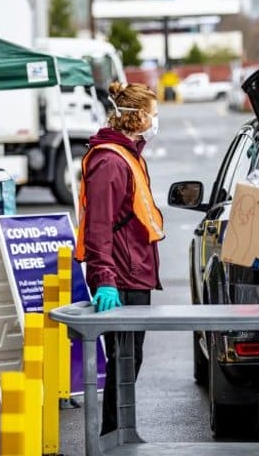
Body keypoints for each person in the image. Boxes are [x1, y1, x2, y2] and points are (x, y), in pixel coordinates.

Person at [74, 81, 164, 436]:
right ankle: (114, 433)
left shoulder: (126, 154)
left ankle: (121, 430)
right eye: (154, 114)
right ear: (138, 116)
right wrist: (106, 280)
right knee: (124, 358)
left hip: (132, 272)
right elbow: (99, 227)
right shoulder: (111, 161)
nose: (156, 121)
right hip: (122, 276)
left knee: (129, 358)